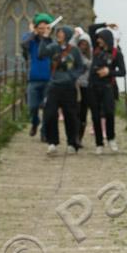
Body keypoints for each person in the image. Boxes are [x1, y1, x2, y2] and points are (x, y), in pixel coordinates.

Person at [38, 25, 84, 155]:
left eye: (61, 33)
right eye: (57, 32)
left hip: (69, 88)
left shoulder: (74, 50)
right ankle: (52, 143)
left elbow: (81, 67)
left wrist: (72, 77)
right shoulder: (53, 47)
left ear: (68, 35)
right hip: (54, 86)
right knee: (50, 114)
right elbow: (41, 54)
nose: (58, 34)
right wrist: (45, 37)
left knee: (70, 116)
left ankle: (71, 143)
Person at [88, 23, 127, 154]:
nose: (98, 40)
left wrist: (108, 72)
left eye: (100, 38)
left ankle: (111, 138)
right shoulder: (96, 49)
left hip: (107, 87)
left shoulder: (117, 53)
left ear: (106, 39)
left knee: (109, 113)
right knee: (95, 115)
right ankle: (99, 143)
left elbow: (123, 72)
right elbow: (91, 28)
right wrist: (105, 24)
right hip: (93, 87)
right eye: (97, 38)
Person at [21, 13, 54, 141]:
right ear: (36, 28)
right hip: (33, 79)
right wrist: (32, 34)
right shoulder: (30, 40)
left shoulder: (51, 41)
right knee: (32, 107)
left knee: (47, 108)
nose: (42, 30)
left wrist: (46, 37)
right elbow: (24, 45)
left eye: (45, 28)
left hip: (48, 80)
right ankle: (35, 123)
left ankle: (44, 132)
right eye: (40, 28)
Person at [71, 27, 92, 146]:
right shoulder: (75, 53)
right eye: (81, 43)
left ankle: (80, 137)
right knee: (75, 112)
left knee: (83, 113)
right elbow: (70, 45)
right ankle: (74, 138)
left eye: (85, 44)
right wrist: (76, 35)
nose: (83, 46)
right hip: (75, 86)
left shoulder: (91, 55)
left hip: (86, 87)